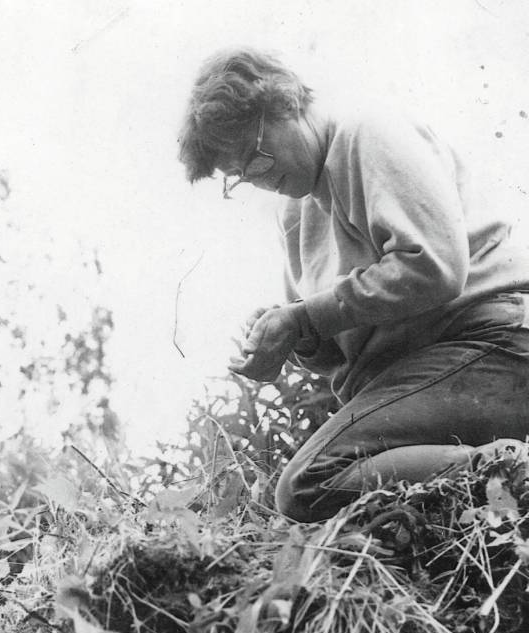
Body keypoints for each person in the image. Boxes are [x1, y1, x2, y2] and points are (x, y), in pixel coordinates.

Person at [178, 48, 529, 522]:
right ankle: (494, 479)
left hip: (490, 344)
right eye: (238, 176)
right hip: (431, 372)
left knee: (312, 481)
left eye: (255, 159)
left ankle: (509, 471)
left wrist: (306, 315)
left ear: (284, 103)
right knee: (323, 491)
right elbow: (332, 347)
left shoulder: (365, 132)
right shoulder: (295, 210)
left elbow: (436, 266)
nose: (257, 180)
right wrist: (291, 335)